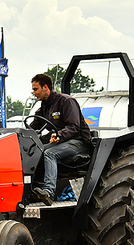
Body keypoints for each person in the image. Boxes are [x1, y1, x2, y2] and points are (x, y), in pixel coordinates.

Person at [30, 73, 92, 205]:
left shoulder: (66, 101)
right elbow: (34, 125)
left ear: (45, 87)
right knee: (36, 151)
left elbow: (74, 127)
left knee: (49, 153)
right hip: (63, 142)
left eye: (35, 89)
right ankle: (32, 189)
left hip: (78, 142)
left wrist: (58, 135)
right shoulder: (44, 107)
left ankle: (49, 192)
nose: (34, 93)